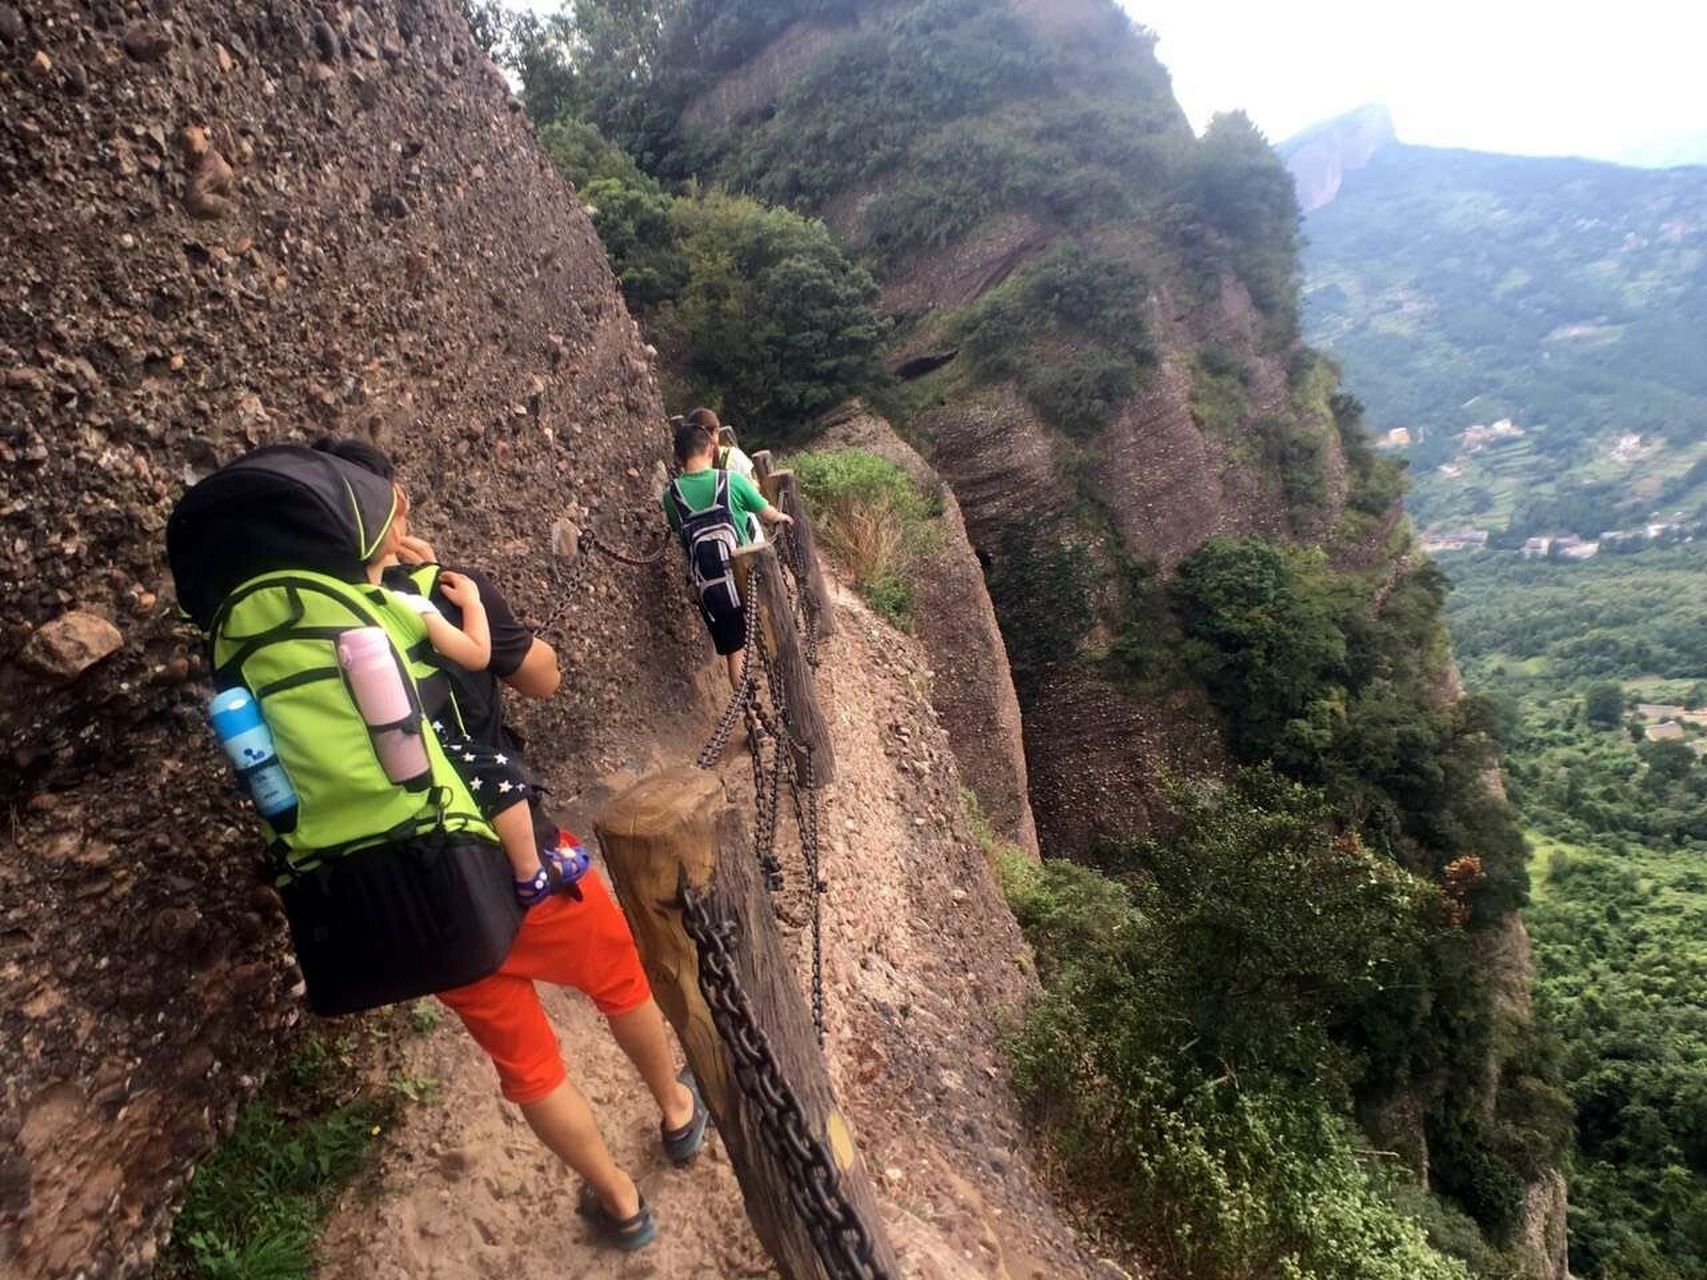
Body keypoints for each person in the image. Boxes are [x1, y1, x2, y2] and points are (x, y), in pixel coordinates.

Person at [310, 437, 704, 1252]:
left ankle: (619, 1202)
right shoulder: (438, 593)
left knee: (527, 1065)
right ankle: (674, 1110)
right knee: (618, 981)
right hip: (519, 857)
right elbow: (541, 677)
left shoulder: (296, 640)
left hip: (417, 897)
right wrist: (452, 589)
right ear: (393, 508)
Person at [661, 417, 793, 692]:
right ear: (711, 448)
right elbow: (767, 512)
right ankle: (786, 691)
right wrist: (782, 516)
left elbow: (678, 531)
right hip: (747, 577)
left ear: (678, 457)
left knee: (736, 652)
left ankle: (749, 710)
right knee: (771, 632)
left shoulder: (670, 497)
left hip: (712, 588)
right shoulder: (731, 481)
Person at [687, 407, 764, 545]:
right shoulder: (733, 456)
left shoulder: (688, 472)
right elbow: (754, 491)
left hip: (712, 543)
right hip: (747, 536)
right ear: (716, 431)